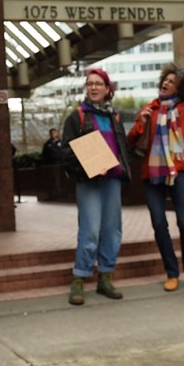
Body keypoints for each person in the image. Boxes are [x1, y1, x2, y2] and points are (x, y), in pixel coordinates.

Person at [127, 59, 184, 294]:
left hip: (179, 172)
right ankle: (171, 273)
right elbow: (132, 139)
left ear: (178, 89)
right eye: (166, 79)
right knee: (158, 223)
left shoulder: (183, 110)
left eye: (172, 82)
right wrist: (141, 124)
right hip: (152, 175)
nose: (166, 83)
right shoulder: (149, 110)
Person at [60, 68, 131, 306]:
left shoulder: (115, 116)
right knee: (90, 231)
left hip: (113, 180)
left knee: (112, 230)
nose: (93, 87)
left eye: (98, 83)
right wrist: (89, 164)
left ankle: (106, 277)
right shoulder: (77, 116)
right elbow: (66, 152)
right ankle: (79, 278)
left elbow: (122, 148)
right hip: (89, 181)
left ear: (108, 88)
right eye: (90, 83)